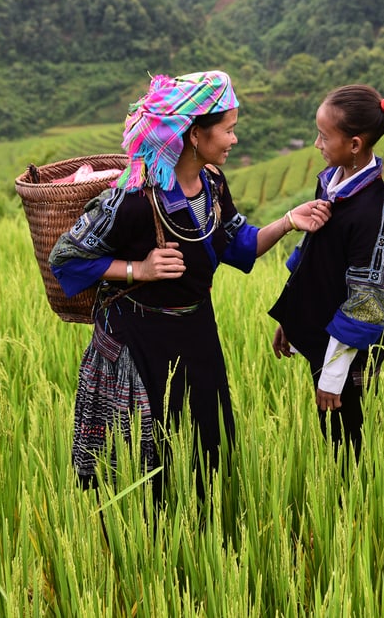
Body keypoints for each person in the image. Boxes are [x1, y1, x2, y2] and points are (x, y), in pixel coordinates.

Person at [49, 70, 330, 495]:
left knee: (208, 448)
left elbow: (239, 244)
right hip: (139, 341)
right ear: (196, 135)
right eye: (229, 130)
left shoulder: (213, 185)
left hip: (196, 333)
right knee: (144, 459)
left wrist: (290, 221)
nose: (235, 140)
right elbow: (65, 258)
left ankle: (198, 540)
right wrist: (136, 269)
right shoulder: (134, 197)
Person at [268, 84, 384, 461]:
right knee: (331, 433)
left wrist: (332, 376)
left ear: (354, 144)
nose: (317, 144)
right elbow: (313, 257)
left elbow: (366, 302)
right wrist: (291, 316)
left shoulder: (376, 213)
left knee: (347, 444)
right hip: (323, 334)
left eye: (323, 136)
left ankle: (353, 512)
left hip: (352, 351)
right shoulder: (330, 182)